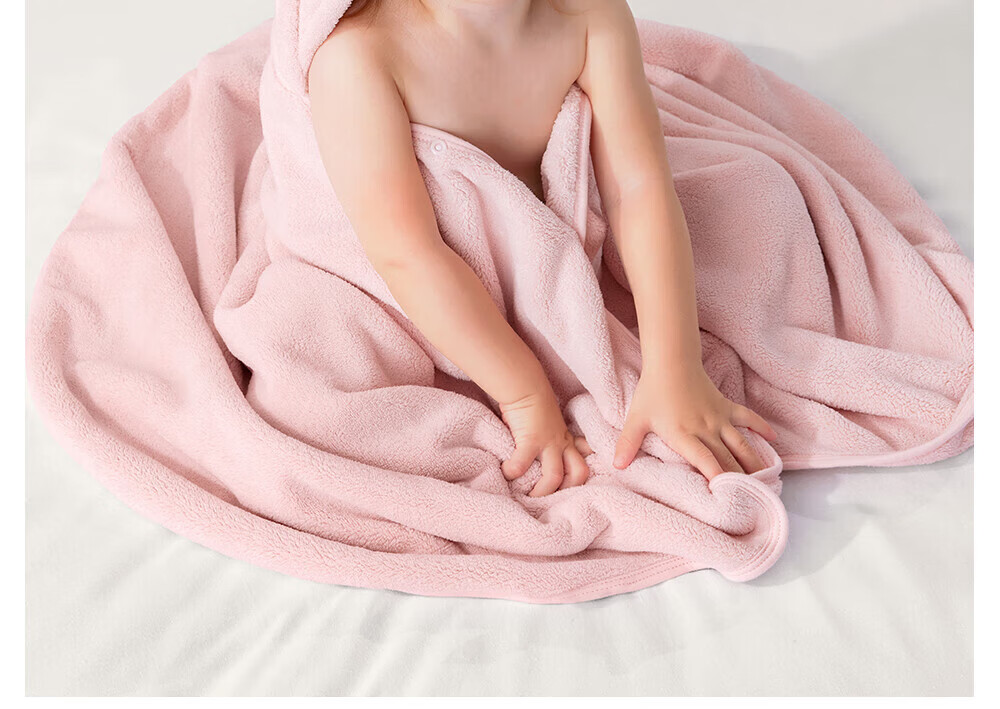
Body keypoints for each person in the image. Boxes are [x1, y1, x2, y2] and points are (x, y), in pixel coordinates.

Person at [307, 0, 778, 497]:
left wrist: (675, 365)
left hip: (529, 228)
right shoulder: (359, 56)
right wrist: (525, 396)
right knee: (337, 369)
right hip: (399, 256)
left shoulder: (588, 14)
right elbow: (406, 254)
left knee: (764, 193)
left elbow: (637, 189)